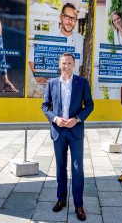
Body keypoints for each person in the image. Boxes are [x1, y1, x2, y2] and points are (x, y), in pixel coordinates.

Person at [42, 52, 94, 221]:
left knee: (78, 168)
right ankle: (61, 199)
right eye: (63, 63)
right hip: (59, 131)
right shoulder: (52, 83)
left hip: (75, 131)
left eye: (69, 63)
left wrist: (77, 119)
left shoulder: (82, 82)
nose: (66, 66)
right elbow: (45, 106)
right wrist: (55, 119)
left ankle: (79, 205)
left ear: (74, 65)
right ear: (59, 65)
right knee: (60, 167)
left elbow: (90, 105)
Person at [28, 3, 84, 98]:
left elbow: (81, 65)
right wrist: (38, 77)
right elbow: (31, 55)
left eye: (73, 18)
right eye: (67, 17)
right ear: (60, 17)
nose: (70, 22)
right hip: (53, 90)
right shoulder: (50, 37)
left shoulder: (81, 40)